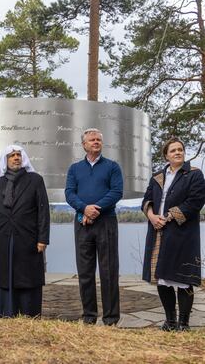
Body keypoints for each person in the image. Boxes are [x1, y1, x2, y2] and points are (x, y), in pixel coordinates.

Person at [142, 138, 205, 331]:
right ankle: (170, 322)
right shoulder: (157, 177)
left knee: (183, 277)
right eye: (173, 150)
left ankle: (183, 324)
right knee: (162, 277)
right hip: (158, 232)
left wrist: (168, 216)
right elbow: (147, 199)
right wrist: (152, 216)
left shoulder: (194, 174)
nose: (178, 153)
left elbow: (195, 201)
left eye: (180, 150)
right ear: (166, 155)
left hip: (182, 233)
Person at [0, 145, 50, 318]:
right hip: (2, 236)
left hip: (28, 237)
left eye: (18, 155)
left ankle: (28, 313)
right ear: (5, 160)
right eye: (11, 155)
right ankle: (5, 312)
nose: (16, 158)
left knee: (27, 276)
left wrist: (42, 239)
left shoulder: (35, 180)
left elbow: (43, 211)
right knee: (3, 276)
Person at [65, 128, 123, 325]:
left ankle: (111, 318)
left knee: (108, 271)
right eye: (92, 140)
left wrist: (95, 209)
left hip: (106, 222)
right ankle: (89, 316)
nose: (96, 142)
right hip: (82, 223)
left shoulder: (112, 167)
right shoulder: (74, 169)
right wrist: (84, 209)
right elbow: (69, 193)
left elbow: (116, 192)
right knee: (85, 272)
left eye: (99, 139)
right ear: (84, 145)